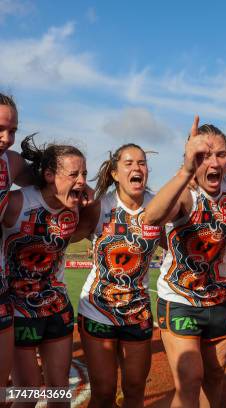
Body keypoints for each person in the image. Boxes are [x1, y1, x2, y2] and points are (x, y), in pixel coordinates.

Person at [143, 117, 226, 408]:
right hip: (179, 298)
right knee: (190, 379)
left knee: (215, 376)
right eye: (203, 156)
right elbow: (151, 218)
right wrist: (186, 170)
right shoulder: (185, 193)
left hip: (219, 298)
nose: (213, 163)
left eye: (220, 154)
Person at [2, 135, 87, 408]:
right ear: (49, 174)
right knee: (27, 394)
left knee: (59, 392)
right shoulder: (15, 203)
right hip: (18, 310)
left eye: (84, 173)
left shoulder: (76, 209)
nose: (82, 180)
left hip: (57, 308)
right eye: (74, 174)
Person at [72, 144, 160, 408]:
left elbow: (179, 241)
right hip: (98, 309)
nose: (137, 168)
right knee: (104, 392)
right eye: (129, 163)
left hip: (138, 312)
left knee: (134, 390)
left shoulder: (159, 206)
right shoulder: (100, 207)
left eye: (142, 163)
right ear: (114, 173)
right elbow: (64, 234)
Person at [0, 92, 32, 387]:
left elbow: (48, 180)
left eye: (12, 131)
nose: (6, 138)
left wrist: (79, 187)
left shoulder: (10, 163)